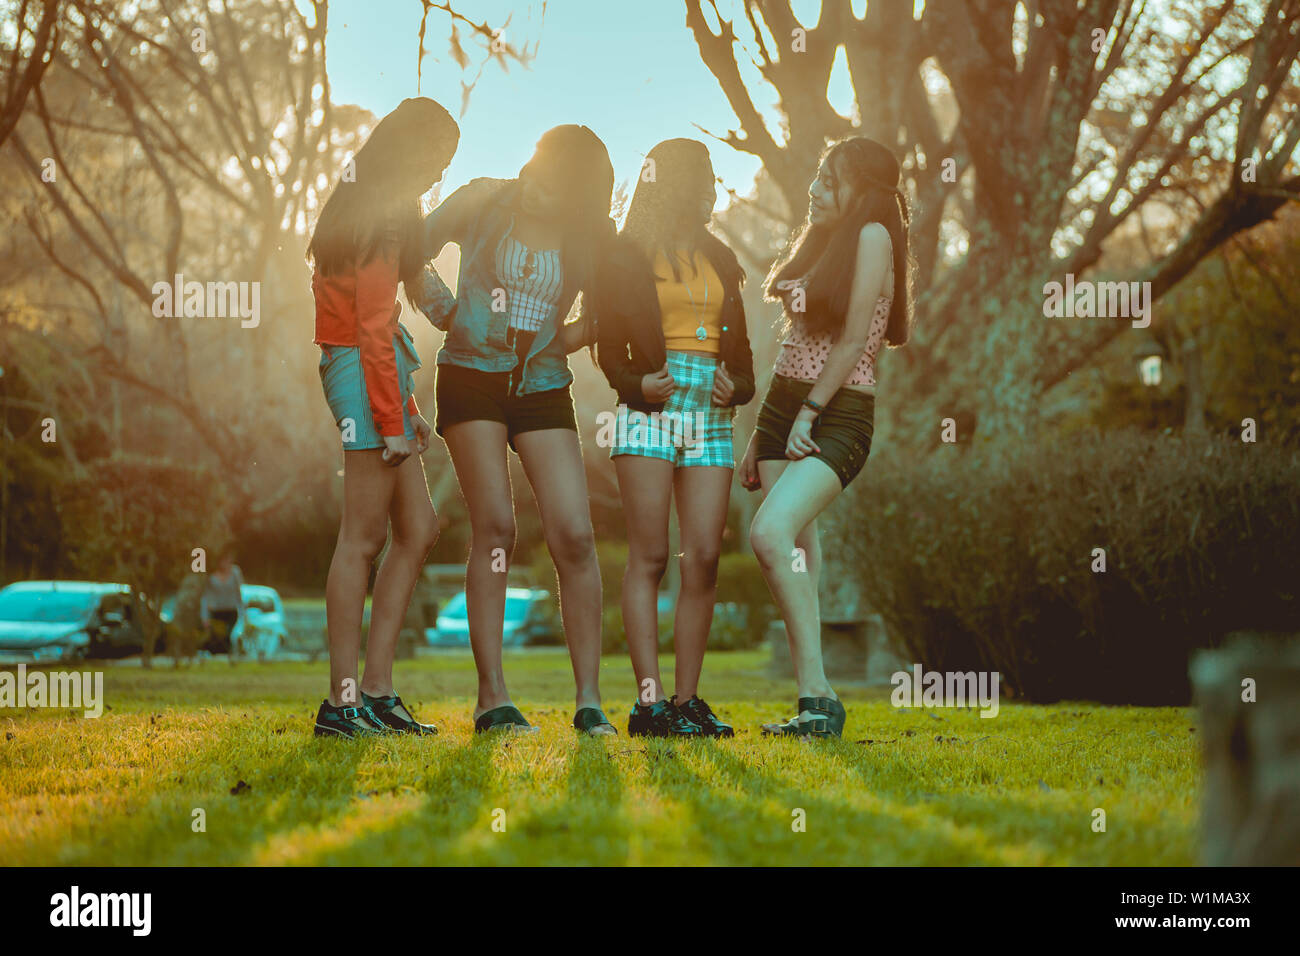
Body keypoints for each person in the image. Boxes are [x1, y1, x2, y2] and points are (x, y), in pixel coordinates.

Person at [420, 125, 617, 736]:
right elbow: (410, 250)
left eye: (554, 187)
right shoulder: (483, 197)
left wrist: (566, 339)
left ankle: (589, 703)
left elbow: (612, 308)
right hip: (470, 375)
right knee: (497, 528)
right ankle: (493, 700)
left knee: (575, 534)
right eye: (535, 171)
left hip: (541, 384)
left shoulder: (588, 238)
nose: (536, 189)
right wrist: (444, 310)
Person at [739, 136, 913, 738]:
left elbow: (851, 341)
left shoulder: (873, 237)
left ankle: (819, 691)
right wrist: (764, 429)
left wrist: (810, 414)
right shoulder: (826, 241)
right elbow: (791, 349)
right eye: (816, 178)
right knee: (798, 556)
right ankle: (813, 704)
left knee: (769, 533)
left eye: (829, 181)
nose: (815, 191)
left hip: (838, 413)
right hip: (786, 406)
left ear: (861, 187)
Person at [309, 96, 460, 738]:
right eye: (436, 161)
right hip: (358, 366)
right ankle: (342, 706)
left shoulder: (371, 201)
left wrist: (407, 408)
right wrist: (391, 420)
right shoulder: (383, 215)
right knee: (362, 538)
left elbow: (398, 309)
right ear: (412, 152)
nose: (438, 175)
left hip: (378, 368)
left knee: (419, 528)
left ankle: (376, 692)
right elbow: (371, 323)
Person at [595, 139, 755, 737]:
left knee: (706, 558)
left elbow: (740, 351)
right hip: (649, 404)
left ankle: (688, 702)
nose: (712, 187)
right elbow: (608, 348)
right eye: (705, 176)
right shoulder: (626, 256)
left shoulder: (721, 256)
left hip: (710, 411)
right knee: (652, 556)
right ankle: (649, 703)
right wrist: (638, 381)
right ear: (675, 183)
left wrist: (736, 385)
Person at [200, 551, 245, 661]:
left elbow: (240, 592)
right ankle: (217, 659)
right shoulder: (211, 576)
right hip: (216, 611)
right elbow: (205, 597)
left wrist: (243, 610)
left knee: (228, 635)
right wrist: (204, 616)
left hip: (231, 610)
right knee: (216, 637)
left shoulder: (235, 572)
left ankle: (229, 658)